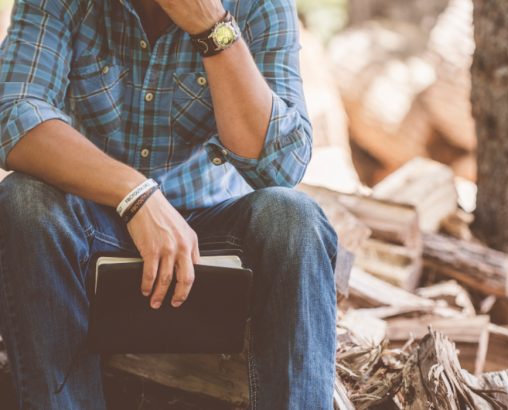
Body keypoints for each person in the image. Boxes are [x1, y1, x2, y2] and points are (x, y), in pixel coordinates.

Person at [0, 0, 338, 408]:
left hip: (212, 240)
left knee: (296, 219)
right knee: (23, 200)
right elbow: (13, 116)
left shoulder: (259, 5)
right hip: (92, 229)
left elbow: (281, 167)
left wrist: (211, 27)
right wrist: (136, 194)